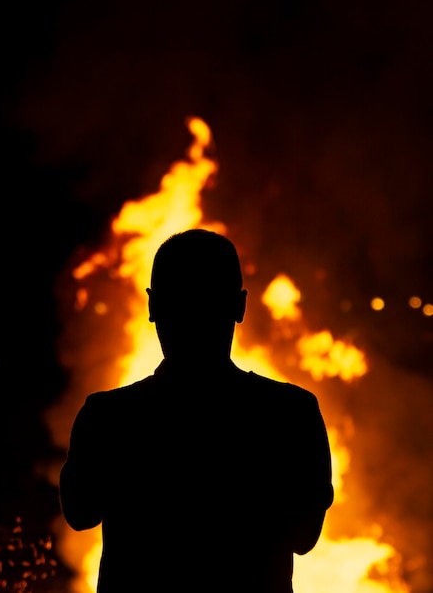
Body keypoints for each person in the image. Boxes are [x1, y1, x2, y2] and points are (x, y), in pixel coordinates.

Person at [59, 229, 334, 593]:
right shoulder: (291, 413)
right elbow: (304, 536)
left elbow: (79, 514)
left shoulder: (107, 416)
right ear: (240, 306)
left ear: (153, 306)